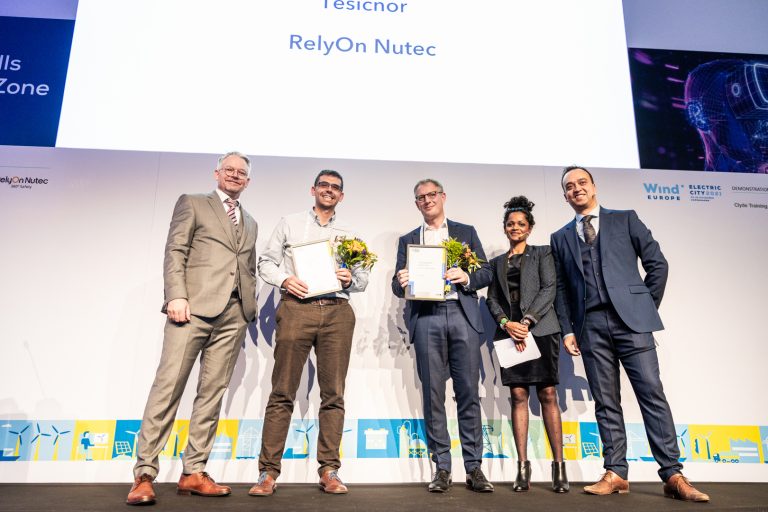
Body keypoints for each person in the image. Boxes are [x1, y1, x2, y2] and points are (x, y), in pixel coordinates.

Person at [550, 166, 709, 502]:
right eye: (569, 186)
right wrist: (567, 330)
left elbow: (658, 264)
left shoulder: (625, 219)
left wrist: (643, 307)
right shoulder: (560, 237)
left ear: (594, 186)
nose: (576, 188)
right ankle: (616, 473)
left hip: (632, 324)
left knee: (651, 393)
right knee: (605, 401)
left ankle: (673, 474)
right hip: (590, 326)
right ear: (565, 196)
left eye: (582, 182)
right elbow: (562, 289)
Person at [127, 151, 258, 506]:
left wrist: (248, 309)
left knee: (211, 394)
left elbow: (246, 266)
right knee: (168, 388)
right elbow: (175, 251)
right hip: (191, 310)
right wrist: (176, 295)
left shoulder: (251, 221)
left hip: (233, 314)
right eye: (229, 169)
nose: (235, 175)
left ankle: (194, 471)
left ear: (248, 181)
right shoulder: (194, 202)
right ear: (217, 173)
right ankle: (144, 474)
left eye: (241, 172)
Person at [248, 170, 369, 496]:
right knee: (282, 391)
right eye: (324, 186)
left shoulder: (351, 233)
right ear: (313, 190)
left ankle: (329, 470)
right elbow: (266, 263)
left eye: (335, 188)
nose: (329, 191)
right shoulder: (290, 223)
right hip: (297, 308)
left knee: (334, 394)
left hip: (337, 311)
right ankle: (267, 472)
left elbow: (362, 278)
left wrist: (350, 278)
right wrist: (285, 279)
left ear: (341, 196)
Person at [392, 179, 494, 493]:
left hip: (461, 314)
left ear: (443, 197)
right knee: (433, 394)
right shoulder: (409, 240)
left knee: (468, 393)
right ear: (417, 203)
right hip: (427, 317)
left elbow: (486, 272)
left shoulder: (466, 232)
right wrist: (401, 280)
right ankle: (442, 468)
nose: (427, 200)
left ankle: (474, 468)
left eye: (431, 194)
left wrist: (466, 276)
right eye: (420, 197)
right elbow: (397, 286)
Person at [485, 196, 568, 493]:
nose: (515, 228)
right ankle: (523, 468)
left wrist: (527, 321)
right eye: (511, 224)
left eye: (521, 224)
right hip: (509, 335)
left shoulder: (543, 253)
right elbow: (492, 299)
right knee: (518, 395)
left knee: (548, 393)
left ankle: (559, 468)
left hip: (541, 331)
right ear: (504, 228)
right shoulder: (496, 263)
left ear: (529, 228)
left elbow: (549, 289)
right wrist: (506, 323)